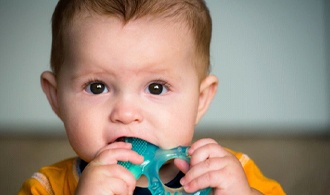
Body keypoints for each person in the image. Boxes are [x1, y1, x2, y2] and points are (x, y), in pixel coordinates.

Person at [19, 0, 285, 194]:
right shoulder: (47, 187)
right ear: (56, 98)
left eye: (156, 88)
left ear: (200, 99)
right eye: (97, 87)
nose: (125, 113)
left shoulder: (226, 173)